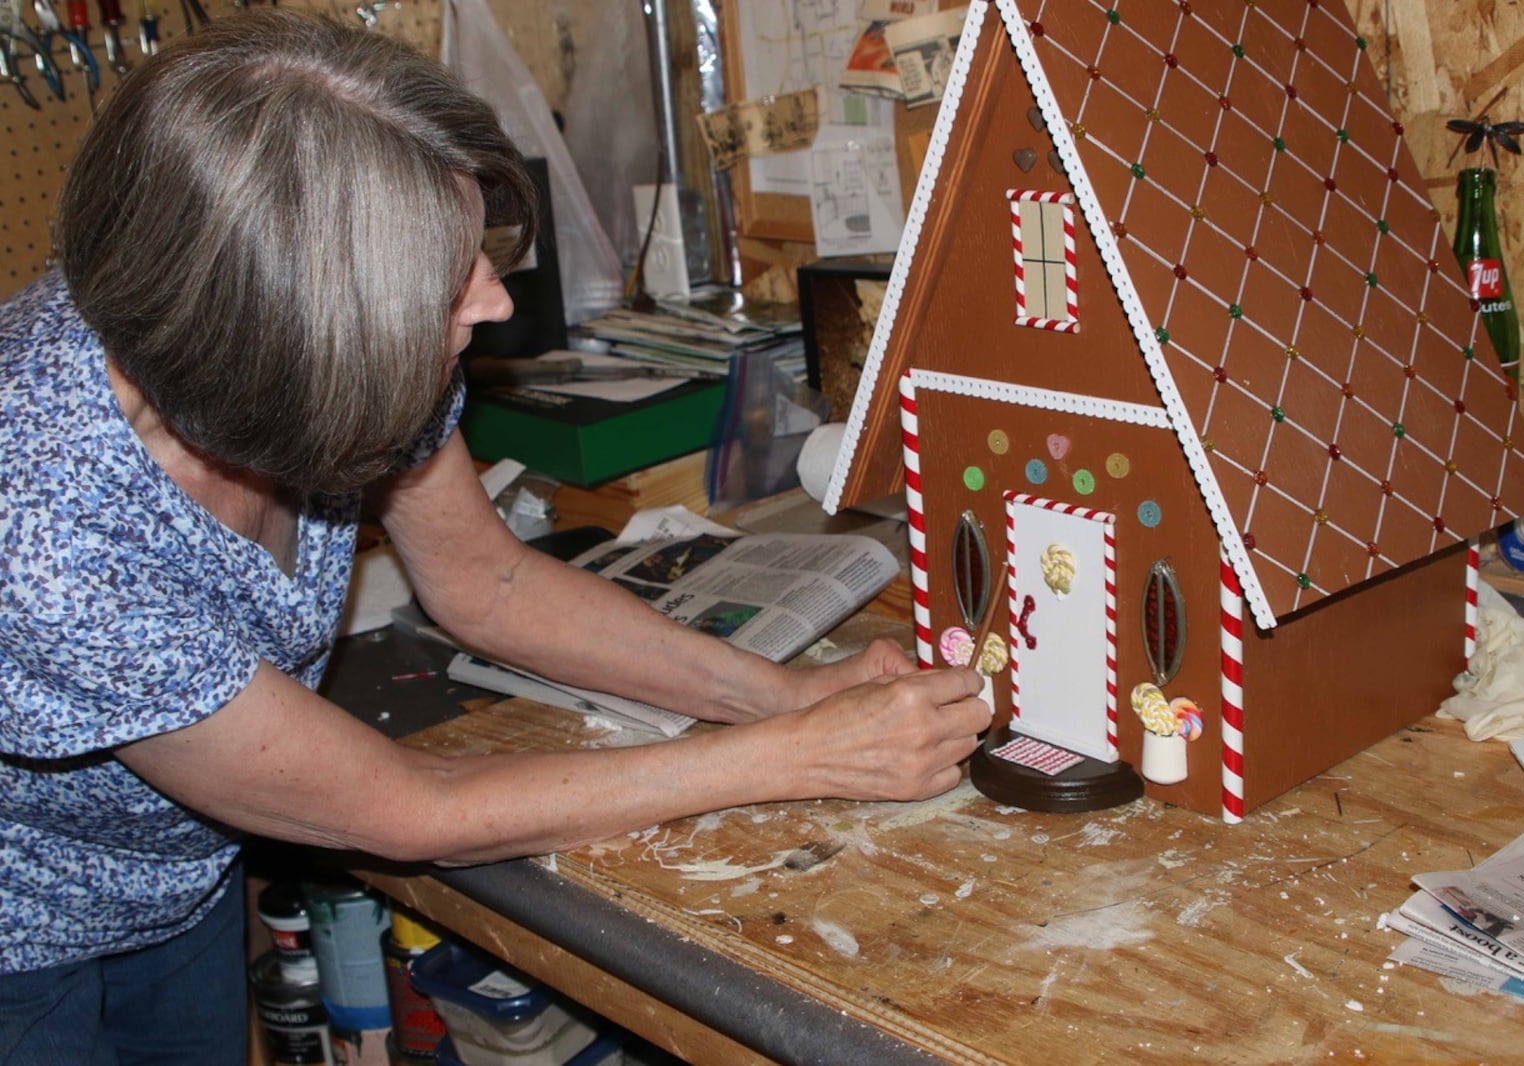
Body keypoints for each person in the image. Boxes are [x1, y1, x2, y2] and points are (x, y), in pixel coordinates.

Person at [0, 11, 988, 1064]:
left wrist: (780, 693)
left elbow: (490, 584)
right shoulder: (45, 531)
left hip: (173, 875)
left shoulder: (322, 327)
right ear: (301, 332)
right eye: (449, 284)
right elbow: (406, 807)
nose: (494, 297)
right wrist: (795, 755)